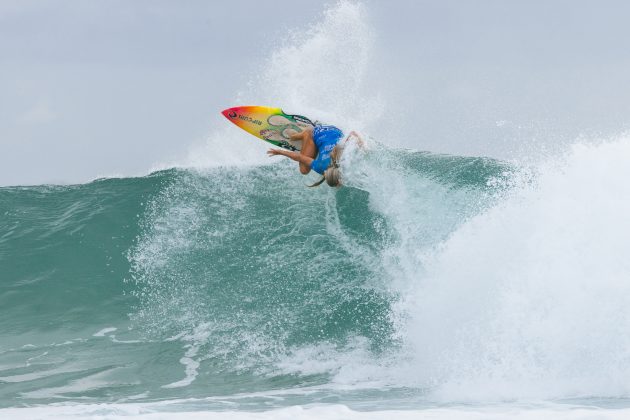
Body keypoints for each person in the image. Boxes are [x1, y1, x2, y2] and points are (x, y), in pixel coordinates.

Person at [267, 124, 359, 187]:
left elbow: (353, 134)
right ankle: (306, 133)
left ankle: (318, 146)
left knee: (323, 148)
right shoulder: (320, 167)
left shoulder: (345, 158)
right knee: (304, 170)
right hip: (318, 132)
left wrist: (363, 145)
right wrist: (279, 152)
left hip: (335, 130)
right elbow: (299, 157)